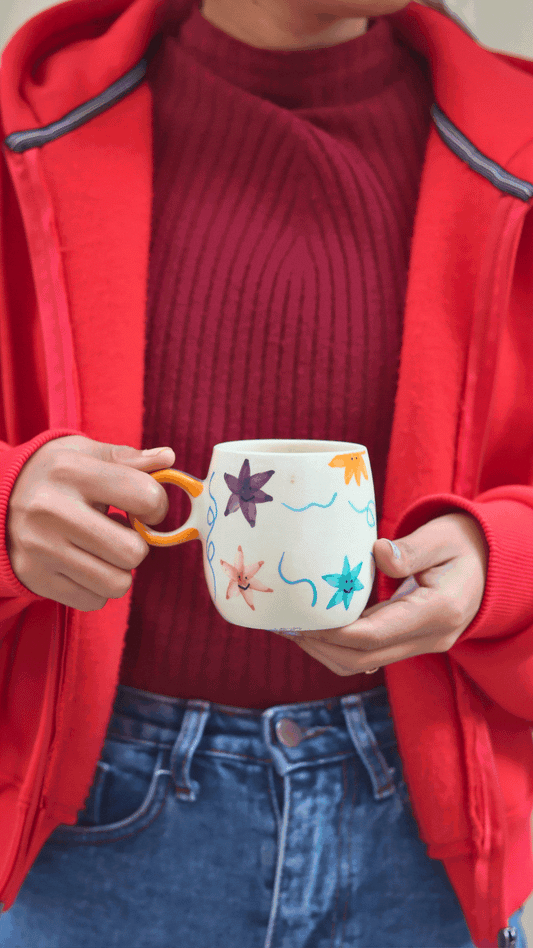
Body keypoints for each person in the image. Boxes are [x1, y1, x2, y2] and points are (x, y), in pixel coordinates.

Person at [0, 0, 532, 944]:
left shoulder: (513, 145)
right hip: (88, 827)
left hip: (435, 828)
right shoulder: (26, 137)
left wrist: (506, 564)